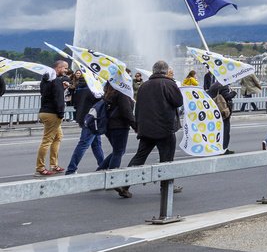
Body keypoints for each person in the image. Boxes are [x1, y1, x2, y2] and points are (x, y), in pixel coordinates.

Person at [119, 60, 184, 197]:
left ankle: (124, 184)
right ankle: (166, 187)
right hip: (165, 128)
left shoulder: (144, 86)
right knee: (166, 160)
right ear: (166, 71)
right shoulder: (169, 84)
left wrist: (138, 125)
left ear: (153, 71)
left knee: (139, 157)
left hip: (146, 128)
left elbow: (139, 107)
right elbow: (178, 102)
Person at [64, 73, 105, 174]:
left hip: (83, 116)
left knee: (96, 143)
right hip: (92, 118)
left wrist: (78, 118)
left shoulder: (79, 86)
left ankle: (103, 165)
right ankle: (71, 169)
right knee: (84, 143)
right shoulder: (94, 88)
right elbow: (99, 101)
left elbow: (76, 103)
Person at [35, 60, 70, 176]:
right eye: (65, 68)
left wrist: (62, 88)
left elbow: (49, 95)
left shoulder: (45, 81)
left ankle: (54, 164)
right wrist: (61, 113)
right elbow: (58, 99)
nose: (66, 71)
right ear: (58, 68)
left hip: (44, 111)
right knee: (47, 140)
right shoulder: (56, 81)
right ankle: (40, 168)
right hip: (52, 114)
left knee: (58, 136)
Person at [95, 83, 135, 185]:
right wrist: (136, 126)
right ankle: (112, 179)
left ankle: (99, 172)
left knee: (117, 151)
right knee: (118, 152)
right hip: (119, 125)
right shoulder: (122, 93)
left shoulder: (109, 91)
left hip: (109, 125)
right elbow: (127, 112)